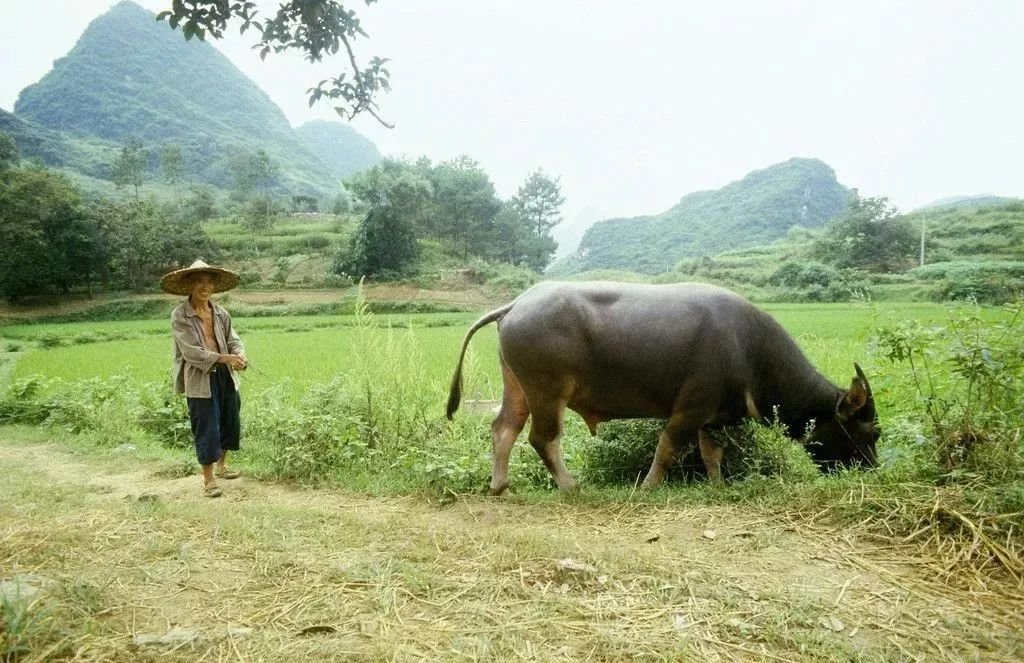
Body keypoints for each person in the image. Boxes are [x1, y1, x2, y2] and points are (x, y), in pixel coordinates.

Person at [161, 260, 247, 498]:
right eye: (199, 282)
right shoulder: (180, 316)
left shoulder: (221, 313)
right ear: (189, 284)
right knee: (207, 425)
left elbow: (234, 339)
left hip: (225, 374)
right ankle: (208, 480)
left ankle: (222, 467)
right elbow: (192, 353)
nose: (204, 287)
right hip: (199, 377)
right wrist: (227, 358)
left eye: (209, 282)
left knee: (230, 418)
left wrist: (239, 354)